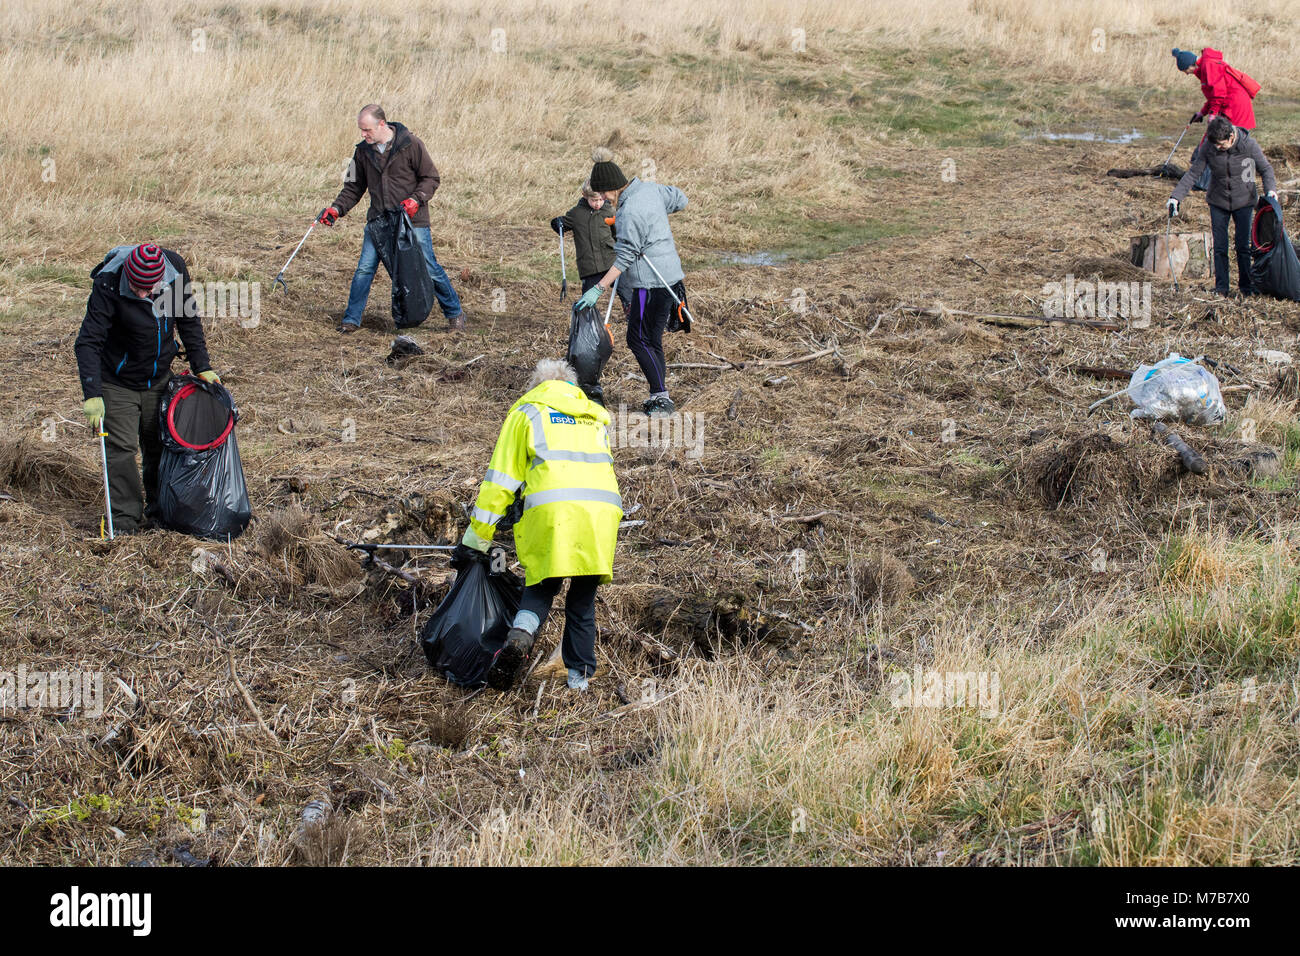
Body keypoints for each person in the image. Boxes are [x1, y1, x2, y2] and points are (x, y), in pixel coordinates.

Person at [458, 358, 622, 691]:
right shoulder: (593, 416)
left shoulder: (528, 413)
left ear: (537, 385)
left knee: (542, 584)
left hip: (552, 511)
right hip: (601, 512)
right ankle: (580, 681)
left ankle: (521, 634)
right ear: (572, 387)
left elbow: (500, 482)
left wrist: (475, 540)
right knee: (582, 598)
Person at [74, 243, 221, 533]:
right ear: (127, 275)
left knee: (159, 446)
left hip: (159, 378)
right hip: (117, 381)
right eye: (137, 288)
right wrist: (93, 395)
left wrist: (201, 365)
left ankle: (160, 512)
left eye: (149, 288)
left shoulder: (175, 270)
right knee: (122, 449)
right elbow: (88, 342)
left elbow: (188, 320)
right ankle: (126, 521)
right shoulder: (109, 282)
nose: (142, 295)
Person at [318, 104, 466, 332]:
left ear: (381, 124)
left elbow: (431, 178)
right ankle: (351, 320)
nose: (363, 134)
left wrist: (416, 200)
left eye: (366, 130)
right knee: (364, 270)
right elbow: (352, 188)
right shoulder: (361, 152)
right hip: (378, 221)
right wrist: (337, 209)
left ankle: (455, 314)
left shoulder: (411, 144)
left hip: (411, 221)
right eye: (361, 130)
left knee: (429, 266)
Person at [575, 148, 688, 417]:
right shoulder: (649, 191)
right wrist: (653, 223)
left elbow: (625, 256)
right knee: (651, 337)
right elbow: (680, 199)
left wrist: (598, 287)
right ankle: (659, 394)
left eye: (602, 193)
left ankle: (661, 398)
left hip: (648, 286)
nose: (601, 198)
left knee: (638, 339)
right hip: (671, 277)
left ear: (612, 188)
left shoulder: (630, 212)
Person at [1168, 116, 1277, 297]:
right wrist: (1175, 198)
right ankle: (1222, 289)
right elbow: (1193, 173)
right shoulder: (1209, 147)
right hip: (1218, 202)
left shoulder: (1249, 145)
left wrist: (1271, 191)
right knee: (1220, 247)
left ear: (1231, 137)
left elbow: (1266, 169)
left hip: (1244, 201)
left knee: (1242, 246)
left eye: (1221, 145)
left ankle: (1246, 288)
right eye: (1215, 145)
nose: (1217, 148)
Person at [550, 180, 620, 294]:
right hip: (589, 265)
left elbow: (618, 234)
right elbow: (562, 225)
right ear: (585, 196)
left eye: (601, 200)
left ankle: (632, 309)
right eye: (594, 200)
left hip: (611, 262)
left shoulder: (610, 211)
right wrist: (556, 223)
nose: (597, 204)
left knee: (625, 291)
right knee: (588, 296)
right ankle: (586, 312)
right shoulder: (576, 214)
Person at [1173, 47, 1257, 131]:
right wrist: (1203, 112)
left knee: (1232, 137)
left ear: (1190, 65)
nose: (1187, 73)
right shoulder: (1205, 68)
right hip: (1230, 104)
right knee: (1219, 137)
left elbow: (1219, 94)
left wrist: (1212, 114)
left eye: (1185, 70)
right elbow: (1213, 96)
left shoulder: (1210, 66)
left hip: (1235, 105)